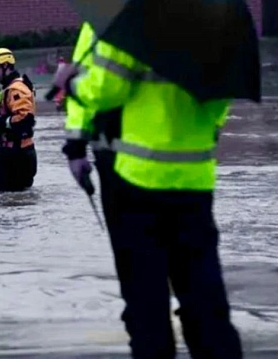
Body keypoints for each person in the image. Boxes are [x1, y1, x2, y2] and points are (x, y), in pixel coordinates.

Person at [54, 22, 243, 359]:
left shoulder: (125, 16)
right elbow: (221, 99)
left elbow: (107, 89)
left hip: (134, 176)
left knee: (145, 299)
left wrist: (71, 83)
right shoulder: (216, 23)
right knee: (204, 296)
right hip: (195, 177)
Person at [0, 48, 37, 192]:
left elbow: (26, 119)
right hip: (11, 153)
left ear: (5, 66)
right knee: (8, 201)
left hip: (17, 155)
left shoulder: (16, 89)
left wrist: (0, 122)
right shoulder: (7, 88)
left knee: (8, 201)